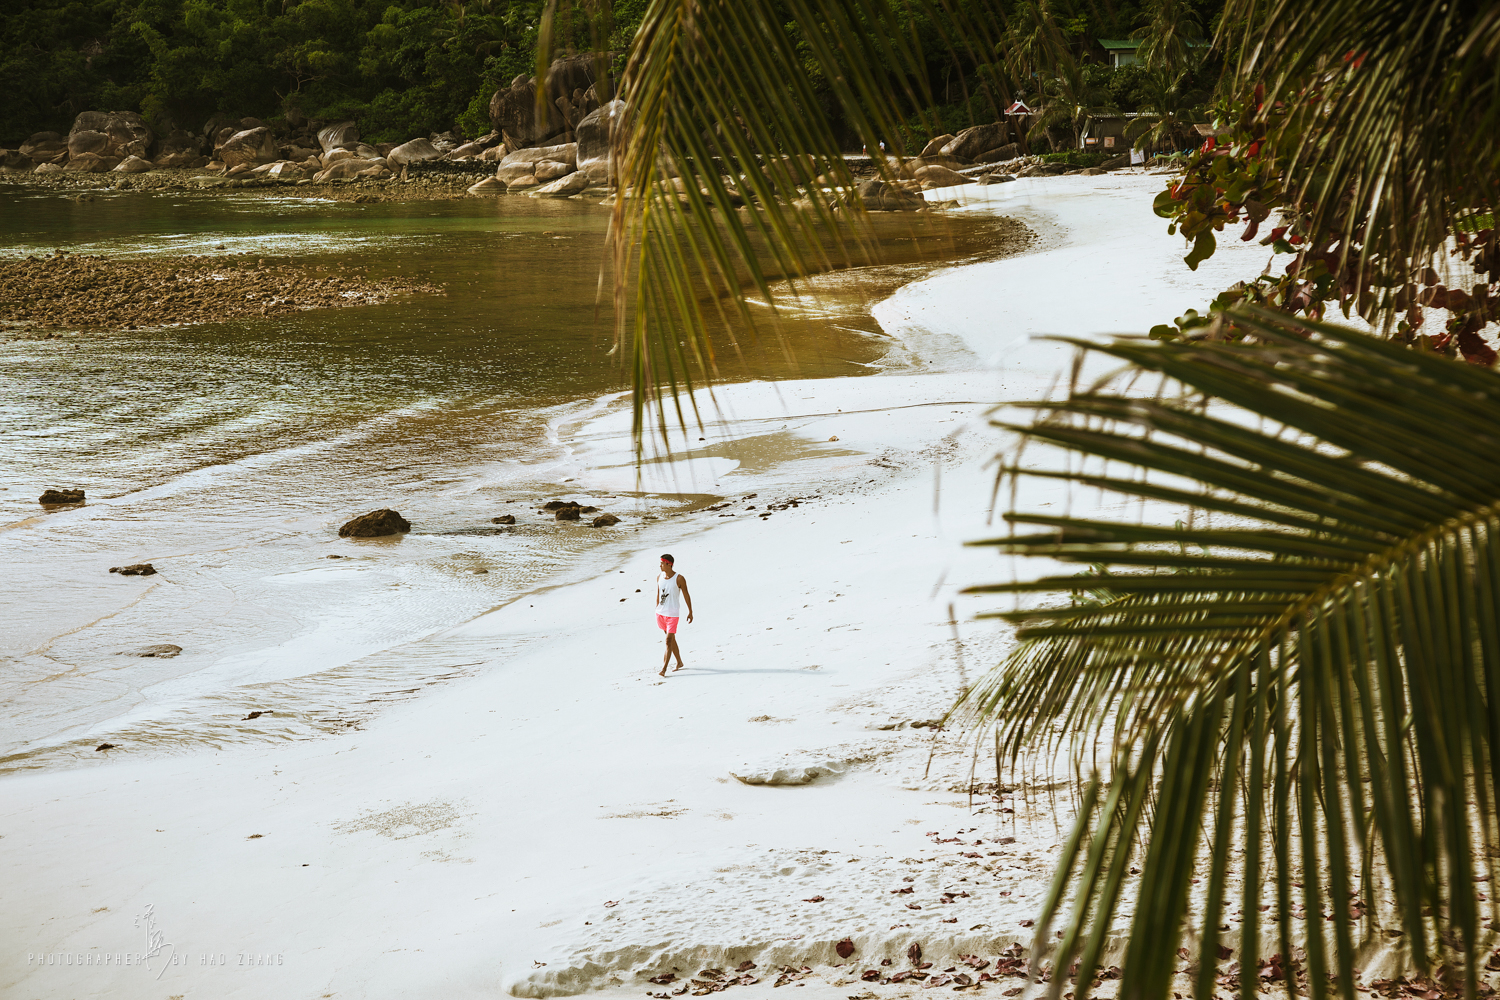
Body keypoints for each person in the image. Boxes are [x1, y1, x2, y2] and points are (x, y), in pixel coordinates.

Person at [654, 553, 693, 676]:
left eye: (662, 563)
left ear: (668, 564)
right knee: (671, 640)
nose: (660, 565)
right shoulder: (659, 577)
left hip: (673, 615)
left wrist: (690, 611)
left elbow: (686, 594)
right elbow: (658, 593)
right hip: (661, 614)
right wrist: (657, 607)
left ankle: (664, 669)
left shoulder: (679, 578)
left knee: (668, 641)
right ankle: (679, 662)